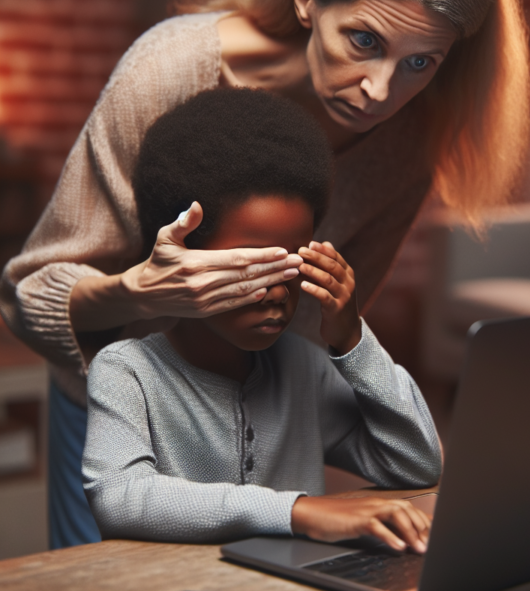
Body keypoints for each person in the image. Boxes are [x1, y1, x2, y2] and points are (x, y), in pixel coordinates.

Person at [0, 0, 530, 548]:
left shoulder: (407, 139)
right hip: (115, 407)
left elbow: (320, 330)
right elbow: (28, 299)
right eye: (364, 41)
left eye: (420, 62)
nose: (380, 91)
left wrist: (335, 366)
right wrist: (140, 290)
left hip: (258, 414)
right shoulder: (169, 72)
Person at [83, 87, 441, 549]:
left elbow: (416, 464)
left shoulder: (304, 367)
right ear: (184, 260)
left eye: (292, 264)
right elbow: (120, 498)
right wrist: (297, 510)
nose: (276, 292)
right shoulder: (127, 371)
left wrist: (352, 340)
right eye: (250, 266)